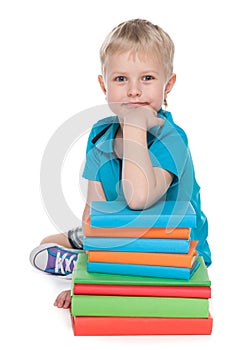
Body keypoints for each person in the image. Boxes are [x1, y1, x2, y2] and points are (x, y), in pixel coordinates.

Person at [29, 18, 212, 309]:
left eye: (148, 78)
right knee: (46, 241)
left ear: (169, 85)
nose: (134, 90)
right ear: (104, 84)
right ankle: (86, 257)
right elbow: (94, 212)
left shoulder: (172, 140)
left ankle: (97, 259)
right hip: (117, 234)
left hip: (169, 248)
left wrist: (136, 126)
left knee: (144, 268)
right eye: (121, 79)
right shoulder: (100, 134)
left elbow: (139, 198)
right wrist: (83, 279)